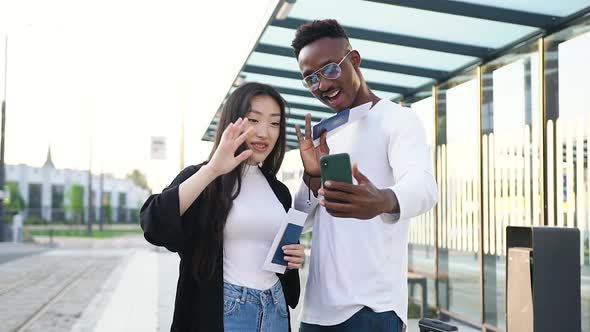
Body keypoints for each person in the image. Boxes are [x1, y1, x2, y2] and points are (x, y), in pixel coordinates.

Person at [290, 19, 439, 332]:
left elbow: (425, 187)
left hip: (373, 309)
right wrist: (312, 178)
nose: (323, 85)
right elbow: (302, 221)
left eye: (330, 69)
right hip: (317, 311)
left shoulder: (397, 119)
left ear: (354, 60)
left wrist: (384, 199)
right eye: (311, 79)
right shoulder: (324, 135)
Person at [140, 82, 305, 332]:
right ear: (233, 122)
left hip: (274, 309)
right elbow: (155, 225)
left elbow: (274, 257)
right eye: (253, 119)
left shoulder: (279, 191)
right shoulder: (205, 178)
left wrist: (293, 257)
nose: (265, 132)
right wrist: (213, 169)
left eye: (274, 123)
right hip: (225, 311)